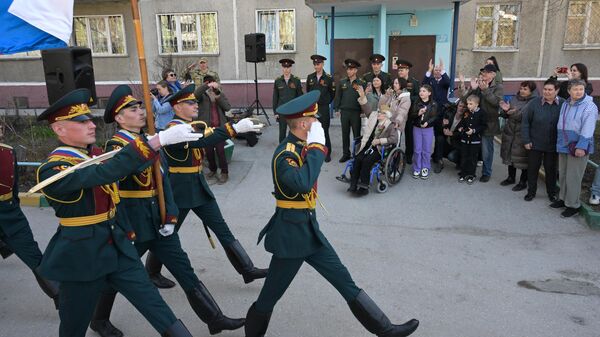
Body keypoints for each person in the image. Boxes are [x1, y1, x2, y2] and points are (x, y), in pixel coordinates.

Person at [243, 90, 419, 337]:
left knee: (344, 280)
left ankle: (385, 329)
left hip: (308, 231)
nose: (318, 123)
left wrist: (313, 148)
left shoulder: (300, 147)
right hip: (291, 238)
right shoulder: (285, 155)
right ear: (304, 123)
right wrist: (316, 147)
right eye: (314, 119)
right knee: (268, 298)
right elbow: (303, 183)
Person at [35, 88, 202, 337]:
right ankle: (98, 321)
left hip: (116, 246)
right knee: (73, 325)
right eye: (81, 121)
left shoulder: (95, 156)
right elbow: (104, 174)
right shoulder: (53, 169)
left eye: (90, 119)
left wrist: (128, 231)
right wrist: (156, 142)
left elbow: (115, 201)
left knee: (154, 305)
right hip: (82, 256)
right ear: (59, 129)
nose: (91, 125)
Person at [89, 85, 244, 337]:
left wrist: (171, 216)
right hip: (135, 225)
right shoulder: (116, 146)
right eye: (132, 108)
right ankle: (98, 319)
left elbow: (165, 183)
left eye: (140, 106)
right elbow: (114, 188)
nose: (140, 111)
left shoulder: (146, 141)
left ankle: (214, 318)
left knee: (184, 269)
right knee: (115, 275)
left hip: (159, 221)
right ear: (118, 118)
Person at [145, 84, 268, 288]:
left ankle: (247, 269)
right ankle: (151, 271)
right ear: (177, 108)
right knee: (168, 234)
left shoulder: (192, 124)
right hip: (179, 190)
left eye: (195, 101)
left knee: (222, 228)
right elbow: (203, 140)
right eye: (190, 102)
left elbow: (207, 134)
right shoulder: (173, 130)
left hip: (198, 186)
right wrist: (234, 128)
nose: (195, 105)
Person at [0, 122, 59, 309]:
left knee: (34, 257)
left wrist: (14, 212)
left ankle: (62, 299)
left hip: (10, 215)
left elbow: (14, 186)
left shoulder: (8, 152)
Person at [551, 79, 598, 218]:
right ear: (569, 91)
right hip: (564, 143)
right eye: (575, 89)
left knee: (573, 177)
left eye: (581, 89)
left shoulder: (589, 106)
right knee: (564, 174)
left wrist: (582, 146)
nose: (578, 92)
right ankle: (564, 199)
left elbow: (588, 128)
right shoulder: (566, 104)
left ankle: (573, 205)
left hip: (577, 146)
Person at [349, 89, 398, 195]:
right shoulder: (373, 117)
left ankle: (364, 188)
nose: (379, 114)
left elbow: (394, 139)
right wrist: (362, 96)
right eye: (379, 112)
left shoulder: (390, 125)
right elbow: (366, 108)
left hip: (380, 148)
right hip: (368, 144)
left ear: (387, 115)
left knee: (366, 162)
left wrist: (380, 141)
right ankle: (353, 184)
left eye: (382, 113)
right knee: (358, 159)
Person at [521, 79, 563, 202]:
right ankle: (531, 192)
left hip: (553, 144)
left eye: (550, 90)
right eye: (545, 89)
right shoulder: (534, 103)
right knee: (533, 168)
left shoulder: (563, 104)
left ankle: (552, 193)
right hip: (535, 143)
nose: (547, 92)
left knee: (551, 170)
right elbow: (525, 123)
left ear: (557, 91)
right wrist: (526, 140)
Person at [465, 64, 504, 182]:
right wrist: (472, 88)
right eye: (483, 73)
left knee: (487, 149)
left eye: (486, 73)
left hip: (489, 124)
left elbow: (496, 103)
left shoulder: (498, 87)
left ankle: (486, 172)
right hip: (476, 122)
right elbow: (467, 100)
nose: (484, 75)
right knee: (473, 147)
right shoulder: (479, 85)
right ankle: (468, 170)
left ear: (493, 74)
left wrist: (485, 90)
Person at [499, 81, 538, 192]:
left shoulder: (533, 102)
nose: (522, 91)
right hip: (510, 131)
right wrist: (505, 111)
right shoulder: (514, 98)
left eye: (525, 89)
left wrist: (511, 112)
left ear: (531, 91)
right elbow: (506, 114)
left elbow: (525, 117)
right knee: (510, 156)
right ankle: (511, 177)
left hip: (523, 133)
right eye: (521, 88)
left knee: (523, 159)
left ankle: (523, 181)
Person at [195, 75, 232, 184]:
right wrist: (206, 85)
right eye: (207, 83)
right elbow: (195, 95)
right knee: (209, 152)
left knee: (221, 151)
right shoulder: (202, 96)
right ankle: (213, 170)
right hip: (207, 128)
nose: (210, 86)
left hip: (219, 128)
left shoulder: (219, 94)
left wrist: (218, 96)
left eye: (212, 83)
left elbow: (227, 107)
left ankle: (224, 173)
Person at [334, 59, 367, 162]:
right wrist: (337, 109)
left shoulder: (361, 83)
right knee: (345, 133)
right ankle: (346, 154)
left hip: (356, 113)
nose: (348, 71)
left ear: (356, 70)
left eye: (351, 69)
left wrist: (363, 111)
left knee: (356, 135)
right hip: (344, 112)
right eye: (348, 69)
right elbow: (338, 96)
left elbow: (364, 97)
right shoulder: (342, 82)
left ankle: (356, 154)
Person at [423, 58, 451, 173]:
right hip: (430, 113)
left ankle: (439, 159)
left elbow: (449, 83)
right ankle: (428, 157)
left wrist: (443, 69)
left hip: (442, 114)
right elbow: (424, 84)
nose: (437, 71)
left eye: (439, 70)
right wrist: (429, 70)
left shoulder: (444, 82)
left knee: (440, 137)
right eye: (435, 70)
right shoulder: (431, 81)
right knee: (428, 136)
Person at [306, 54, 335, 162]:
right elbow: (308, 92)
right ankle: (314, 152)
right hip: (312, 108)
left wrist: (326, 102)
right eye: (314, 64)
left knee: (324, 131)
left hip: (323, 108)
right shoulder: (310, 77)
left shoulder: (328, 78)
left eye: (318, 64)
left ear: (322, 64)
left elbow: (332, 93)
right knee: (312, 131)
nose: (316, 66)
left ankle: (327, 153)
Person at [457, 95, 487, 184]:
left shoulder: (481, 113)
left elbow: (483, 125)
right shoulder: (466, 112)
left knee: (472, 158)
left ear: (477, 104)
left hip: (475, 140)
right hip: (465, 139)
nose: (468, 105)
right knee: (464, 156)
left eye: (471, 104)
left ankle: (471, 174)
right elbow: (462, 122)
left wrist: (474, 131)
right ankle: (463, 173)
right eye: (468, 103)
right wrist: (461, 128)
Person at [409, 85, 438, 179]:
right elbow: (411, 116)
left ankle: (425, 167)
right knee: (417, 149)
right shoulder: (416, 102)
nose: (421, 93)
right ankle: (417, 167)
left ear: (429, 93)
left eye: (424, 91)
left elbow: (434, 117)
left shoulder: (433, 103)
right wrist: (418, 113)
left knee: (426, 150)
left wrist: (427, 123)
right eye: (420, 91)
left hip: (428, 129)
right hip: (417, 128)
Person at [273, 58, 303, 142]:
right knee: (282, 133)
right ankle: (281, 151)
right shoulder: (278, 81)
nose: (286, 70)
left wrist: (300, 111)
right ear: (282, 68)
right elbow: (275, 97)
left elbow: (300, 96)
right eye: (284, 67)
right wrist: (275, 112)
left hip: (293, 111)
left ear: (291, 68)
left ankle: (294, 150)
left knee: (295, 132)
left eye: (288, 67)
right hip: (282, 111)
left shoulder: (296, 80)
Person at [396, 59, 420, 165]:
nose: (400, 72)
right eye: (399, 70)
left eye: (402, 70)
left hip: (410, 114)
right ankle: (396, 154)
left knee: (409, 136)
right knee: (397, 135)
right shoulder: (396, 82)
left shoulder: (414, 82)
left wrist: (406, 96)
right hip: (399, 113)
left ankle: (409, 156)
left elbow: (418, 96)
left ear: (407, 70)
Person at [441, 99, 466, 167]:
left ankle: (460, 162)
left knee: (451, 156)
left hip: (457, 145)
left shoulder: (466, 119)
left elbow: (464, 134)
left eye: (464, 107)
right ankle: (438, 161)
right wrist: (444, 128)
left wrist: (452, 134)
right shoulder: (450, 113)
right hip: (448, 141)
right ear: (457, 106)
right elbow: (443, 124)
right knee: (439, 139)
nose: (461, 108)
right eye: (460, 106)